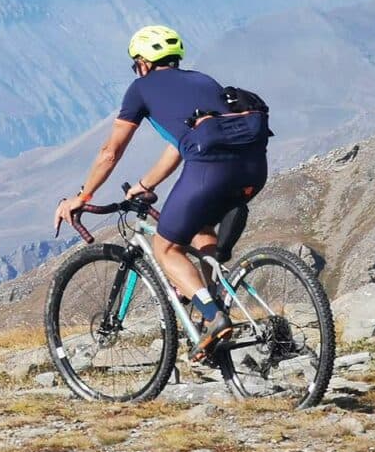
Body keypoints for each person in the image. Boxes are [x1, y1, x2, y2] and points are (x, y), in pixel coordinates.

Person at [53, 25, 269, 361]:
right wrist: (146, 185)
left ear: (143, 61)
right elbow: (184, 142)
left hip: (210, 168)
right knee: (199, 231)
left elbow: (110, 151)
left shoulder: (141, 88)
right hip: (254, 168)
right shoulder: (203, 80)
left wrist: (82, 197)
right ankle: (211, 309)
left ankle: (214, 318)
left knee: (165, 247)